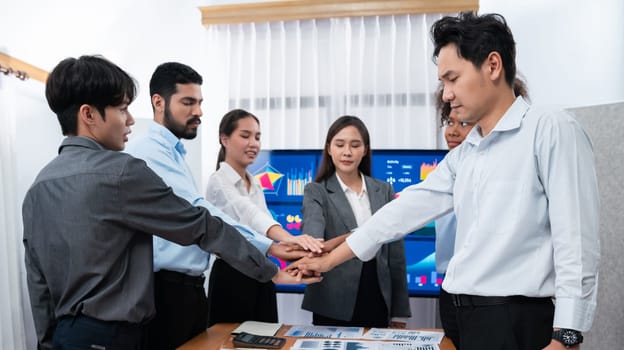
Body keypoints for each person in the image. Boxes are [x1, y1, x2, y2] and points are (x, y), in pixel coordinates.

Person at [290, 12, 600, 350]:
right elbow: (402, 212)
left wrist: (567, 336)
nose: (447, 94)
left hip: (512, 319)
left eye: (452, 79)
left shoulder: (550, 128)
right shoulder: (467, 152)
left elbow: (577, 241)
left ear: (492, 65)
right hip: (463, 316)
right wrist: (329, 260)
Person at [22, 56, 319, 350]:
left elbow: (38, 282)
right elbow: (198, 223)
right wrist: (269, 269)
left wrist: (48, 342)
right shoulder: (123, 171)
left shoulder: (39, 186)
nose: (129, 120)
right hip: (115, 336)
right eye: (122, 109)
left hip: (66, 335)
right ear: (88, 114)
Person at [125, 63, 315, 349]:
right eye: (188, 102)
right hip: (169, 290)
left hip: (189, 288)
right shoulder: (150, 152)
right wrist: (272, 245)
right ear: (158, 102)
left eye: (200, 103)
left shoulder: (175, 154)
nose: (198, 112)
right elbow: (201, 212)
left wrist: (275, 246)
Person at [433, 78, 529, 349]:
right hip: (451, 290)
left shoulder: (508, 169)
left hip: (496, 299)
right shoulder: (450, 167)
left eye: (463, 123)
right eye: (449, 123)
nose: (452, 132)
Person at [204, 108, 324, 326]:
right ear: (225, 139)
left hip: (262, 271)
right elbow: (250, 216)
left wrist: (301, 253)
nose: (254, 143)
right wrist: (290, 238)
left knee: (266, 338)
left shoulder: (254, 181)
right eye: (245, 135)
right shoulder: (218, 181)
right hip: (232, 276)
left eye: (257, 137)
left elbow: (262, 221)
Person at [298, 115, 410, 328]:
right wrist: (314, 244)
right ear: (329, 149)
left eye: (355, 145)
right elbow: (313, 228)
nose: (347, 152)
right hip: (332, 298)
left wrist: (398, 313)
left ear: (365, 150)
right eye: (340, 145)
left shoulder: (383, 190)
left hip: (377, 294)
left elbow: (395, 255)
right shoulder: (316, 190)